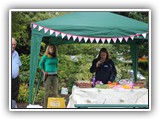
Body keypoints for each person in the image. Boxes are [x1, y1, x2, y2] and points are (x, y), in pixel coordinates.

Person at [12, 38, 22, 108]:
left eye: (14, 44)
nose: (13, 46)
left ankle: (13, 106)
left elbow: (18, 65)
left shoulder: (16, 53)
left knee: (15, 94)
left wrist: (18, 75)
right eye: (12, 44)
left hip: (15, 78)